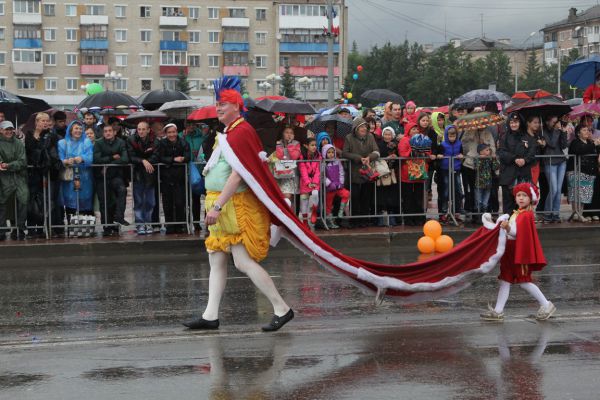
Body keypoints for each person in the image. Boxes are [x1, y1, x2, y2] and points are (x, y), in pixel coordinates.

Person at [183, 77, 293, 332]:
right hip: (221, 204)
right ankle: (210, 315)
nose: (218, 108)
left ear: (236, 106)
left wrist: (218, 206)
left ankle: (281, 307)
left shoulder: (241, 132)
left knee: (242, 261)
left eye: (223, 104)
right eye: (218, 104)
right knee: (217, 260)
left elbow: (239, 174)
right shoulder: (230, 132)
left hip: (235, 206)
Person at [480, 182, 556, 321]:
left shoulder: (526, 215)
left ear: (530, 199)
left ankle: (546, 304)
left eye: (524, 195)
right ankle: (498, 311)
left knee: (524, 281)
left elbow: (517, 233)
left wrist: (508, 228)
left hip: (519, 252)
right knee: (505, 280)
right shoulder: (517, 213)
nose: (521, 198)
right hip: (509, 251)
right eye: (518, 195)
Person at [25, 112, 61, 238]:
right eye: (42, 121)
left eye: (47, 121)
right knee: (31, 202)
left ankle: (40, 229)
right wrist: (37, 136)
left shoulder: (52, 136)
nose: (45, 123)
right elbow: (28, 149)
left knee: (43, 202)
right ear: (37, 122)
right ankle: (30, 229)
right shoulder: (29, 134)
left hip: (46, 174)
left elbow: (51, 153)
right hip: (32, 173)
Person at [342, 117, 380, 227]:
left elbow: (376, 151)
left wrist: (369, 157)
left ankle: (364, 220)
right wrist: (358, 158)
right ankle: (354, 220)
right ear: (356, 128)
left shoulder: (370, 137)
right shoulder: (349, 138)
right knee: (354, 196)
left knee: (366, 196)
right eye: (361, 127)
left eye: (365, 126)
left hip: (367, 171)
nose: (363, 128)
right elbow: (345, 153)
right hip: (354, 171)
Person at [93, 124, 130, 236]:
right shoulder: (99, 143)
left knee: (122, 190)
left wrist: (108, 165)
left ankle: (119, 216)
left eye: (110, 131)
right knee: (104, 202)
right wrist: (112, 157)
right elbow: (97, 159)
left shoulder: (120, 142)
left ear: (114, 132)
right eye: (105, 131)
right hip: (101, 177)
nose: (108, 133)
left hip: (115, 176)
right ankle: (106, 227)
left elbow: (124, 159)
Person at [497, 112, 536, 214]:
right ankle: (508, 227)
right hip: (508, 175)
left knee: (522, 205)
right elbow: (501, 152)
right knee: (508, 205)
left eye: (516, 122)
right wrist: (514, 159)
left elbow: (532, 152)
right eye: (511, 122)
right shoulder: (504, 137)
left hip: (523, 175)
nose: (514, 125)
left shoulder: (527, 136)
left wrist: (525, 160)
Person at [57, 121, 94, 223]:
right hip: (68, 178)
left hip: (85, 178)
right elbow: (59, 158)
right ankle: (71, 227)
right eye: (76, 128)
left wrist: (82, 158)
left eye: (80, 128)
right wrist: (65, 161)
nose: (78, 130)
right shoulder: (62, 143)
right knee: (70, 202)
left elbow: (90, 157)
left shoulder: (86, 142)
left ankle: (88, 228)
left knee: (86, 201)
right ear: (70, 130)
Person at [156, 123, 190, 234]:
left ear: (177, 132)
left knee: (180, 203)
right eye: (169, 132)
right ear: (166, 133)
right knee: (167, 203)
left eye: (173, 132)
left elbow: (188, 156)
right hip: (166, 178)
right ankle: (169, 225)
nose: (172, 134)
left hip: (180, 178)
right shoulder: (162, 143)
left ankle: (180, 225)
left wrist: (183, 158)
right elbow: (160, 157)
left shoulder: (183, 142)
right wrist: (173, 159)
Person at [461, 123, 496, 222]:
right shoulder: (469, 131)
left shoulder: (488, 133)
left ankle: (483, 213)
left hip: (485, 166)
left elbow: (492, 148)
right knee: (471, 190)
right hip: (470, 164)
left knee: (484, 191)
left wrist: (487, 149)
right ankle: (473, 212)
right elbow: (463, 145)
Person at [127, 121, 157, 235]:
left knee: (150, 202)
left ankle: (148, 223)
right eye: (139, 129)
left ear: (148, 130)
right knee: (139, 201)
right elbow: (131, 156)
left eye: (143, 129)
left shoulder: (154, 141)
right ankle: (140, 224)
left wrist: (147, 161)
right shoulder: (131, 140)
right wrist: (143, 160)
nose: (141, 131)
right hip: (137, 174)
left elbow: (156, 155)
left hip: (150, 175)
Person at [0, 121, 28, 240]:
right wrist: (6, 165)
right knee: (3, 203)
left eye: (11, 129)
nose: (9, 131)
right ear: (1, 130)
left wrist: (9, 165)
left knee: (23, 199)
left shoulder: (18, 143)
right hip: (3, 179)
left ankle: (19, 229)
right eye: (6, 129)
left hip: (19, 178)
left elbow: (22, 161)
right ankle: (1, 230)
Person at [399, 122, 432, 226]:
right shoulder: (404, 140)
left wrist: (425, 151)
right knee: (408, 197)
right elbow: (402, 154)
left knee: (419, 197)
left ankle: (419, 218)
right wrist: (413, 148)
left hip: (419, 171)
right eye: (413, 129)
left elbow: (428, 153)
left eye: (417, 129)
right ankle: (409, 219)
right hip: (407, 173)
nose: (416, 131)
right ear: (408, 130)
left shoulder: (423, 138)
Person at [567, 124, 600, 222]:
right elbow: (580, 150)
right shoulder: (575, 142)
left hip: (589, 172)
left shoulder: (590, 141)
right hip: (576, 171)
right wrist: (594, 144)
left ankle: (581, 213)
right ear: (578, 133)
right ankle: (576, 213)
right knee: (576, 193)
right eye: (584, 130)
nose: (587, 132)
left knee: (585, 194)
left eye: (588, 130)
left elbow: (595, 151)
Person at [181, 121, 209, 232]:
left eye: (193, 125)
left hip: (203, 170)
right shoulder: (181, 136)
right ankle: (196, 223)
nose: (191, 127)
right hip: (189, 172)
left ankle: (208, 222)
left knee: (208, 197)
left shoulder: (202, 136)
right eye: (188, 125)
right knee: (194, 199)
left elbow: (205, 149)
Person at [541, 115, 568, 223]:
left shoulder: (558, 129)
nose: (556, 123)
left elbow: (564, 145)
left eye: (557, 121)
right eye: (554, 121)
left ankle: (556, 213)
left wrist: (564, 132)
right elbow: (551, 144)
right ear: (547, 122)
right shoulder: (543, 131)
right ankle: (547, 213)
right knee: (554, 189)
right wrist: (557, 131)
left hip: (561, 161)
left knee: (559, 190)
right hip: (550, 161)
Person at [436, 125, 464, 224]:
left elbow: (461, 153)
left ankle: (456, 212)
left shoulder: (459, 143)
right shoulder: (443, 144)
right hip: (445, 170)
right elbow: (438, 154)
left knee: (458, 191)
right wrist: (439, 156)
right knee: (446, 191)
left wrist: (461, 155)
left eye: (454, 136)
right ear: (446, 136)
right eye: (450, 136)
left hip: (456, 169)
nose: (452, 138)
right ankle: (443, 213)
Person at [269, 125, 301, 202]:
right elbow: (279, 156)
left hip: (291, 173)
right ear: (282, 133)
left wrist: (290, 145)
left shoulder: (296, 143)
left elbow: (295, 156)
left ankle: (290, 213)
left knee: (289, 196)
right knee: (282, 197)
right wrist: (280, 146)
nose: (289, 134)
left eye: (291, 133)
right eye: (287, 132)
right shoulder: (279, 143)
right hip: (280, 173)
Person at [375, 126, 399, 226]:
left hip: (392, 171)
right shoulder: (379, 145)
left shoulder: (396, 145)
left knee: (392, 195)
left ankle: (392, 217)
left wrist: (396, 157)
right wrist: (387, 158)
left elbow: (399, 155)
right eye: (385, 134)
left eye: (389, 134)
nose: (387, 136)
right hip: (382, 172)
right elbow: (378, 157)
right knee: (381, 195)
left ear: (392, 135)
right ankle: (381, 218)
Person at [322, 143, 350, 229]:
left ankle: (340, 212)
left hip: (338, 186)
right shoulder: (323, 163)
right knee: (328, 205)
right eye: (329, 152)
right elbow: (322, 176)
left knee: (346, 194)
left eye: (332, 152)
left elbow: (341, 172)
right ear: (324, 153)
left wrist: (341, 183)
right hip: (329, 188)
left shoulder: (337, 161)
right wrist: (329, 183)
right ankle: (330, 221)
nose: (331, 154)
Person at [298, 137, 321, 228]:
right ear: (306, 146)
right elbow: (302, 170)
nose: (314, 147)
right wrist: (308, 182)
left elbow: (318, 171)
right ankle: (305, 221)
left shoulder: (318, 156)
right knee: (304, 201)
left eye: (315, 145)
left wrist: (314, 182)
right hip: (305, 182)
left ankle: (314, 210)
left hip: (315, 181)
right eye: (312, 145)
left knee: (315, 193)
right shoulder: (302, 156)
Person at [474, 143, 499, 220]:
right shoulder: (477, 158)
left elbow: (496, 167)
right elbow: (477, 167)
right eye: (487, 150)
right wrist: (481, 159)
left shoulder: (490, 158)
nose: (489, 152)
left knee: (485, 202)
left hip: (488, 184)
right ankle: (478, 216)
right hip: (479, 184)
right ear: (481, 152)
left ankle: (484, 216)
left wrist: (494, 159)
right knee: (479, 201)